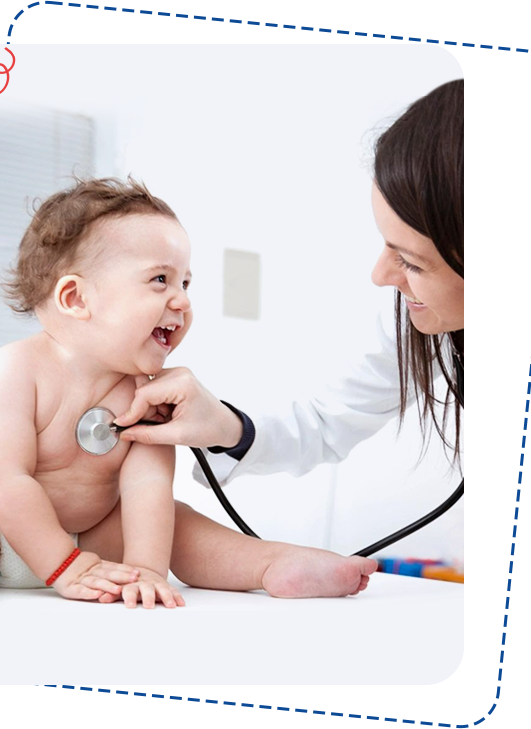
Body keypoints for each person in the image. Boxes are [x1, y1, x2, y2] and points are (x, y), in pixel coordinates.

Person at [0, 177, 378, 608]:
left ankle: (269, 563)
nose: (183, 301)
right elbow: (6, 481)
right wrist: (65, 567)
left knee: (179, 526)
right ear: (76, 298)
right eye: (159, 280)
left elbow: (146, 488)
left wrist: (147, 571)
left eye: (185, 284)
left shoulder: (147, 393)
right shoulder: (16, 369)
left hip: (92, 537)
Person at [113, 80, 464, 540]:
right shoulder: (421, 320)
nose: (381, 276)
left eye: (412, 261)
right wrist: (226, 426)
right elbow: (326, 422)